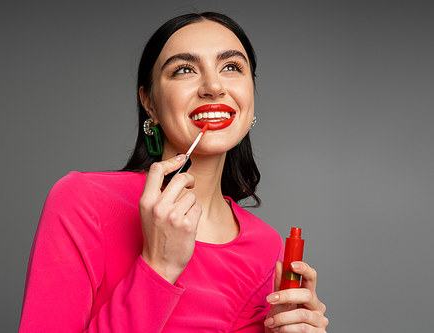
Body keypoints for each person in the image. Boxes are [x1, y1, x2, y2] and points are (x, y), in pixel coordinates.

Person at [18, 12, 328, 332]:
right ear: (149, 102)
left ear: (250, 95)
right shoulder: (83, 202)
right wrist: (159, 267)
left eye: (231, 67)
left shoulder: (268, 246)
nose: (213, 86)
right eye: (184, 69)